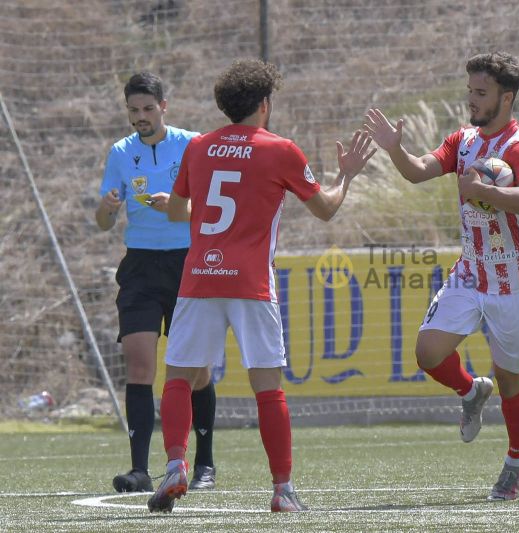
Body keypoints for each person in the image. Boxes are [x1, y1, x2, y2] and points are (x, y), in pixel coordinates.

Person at [146, 58, 375, 513]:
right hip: (250, 283)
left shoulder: (200, 147)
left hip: (199, 279)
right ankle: (282, 490)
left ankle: (175, 464)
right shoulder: (280, 150)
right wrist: (346, 172)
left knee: (178, 376)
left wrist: (171, 205)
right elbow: (326, 209)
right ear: (265, 104)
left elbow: (178, 212)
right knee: (267, 387)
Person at [364, 51, 519, 501]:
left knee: (512, 383)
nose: (471, 100)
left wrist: (484, 190)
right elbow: (419, 172)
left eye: (480, 93)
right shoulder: (463, 141)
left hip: (515, 281)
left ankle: (516, 461)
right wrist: (394, 149)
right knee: (428, 352)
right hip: (470, 272)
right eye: (469, 91)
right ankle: (470, 391)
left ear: (506, 97)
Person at [96, 72, 219, 493]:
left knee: (196, 370)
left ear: (164, 107)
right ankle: (139, 471)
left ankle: (203, 463)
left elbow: (214, 207)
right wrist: (108, 208)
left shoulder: (193, 145)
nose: (140, 117)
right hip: (141, 267)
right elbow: (101, 222)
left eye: (148, 109)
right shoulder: (120, 153)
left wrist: (178, 208)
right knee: (139, 363)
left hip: (189, 263)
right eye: (133, 110)